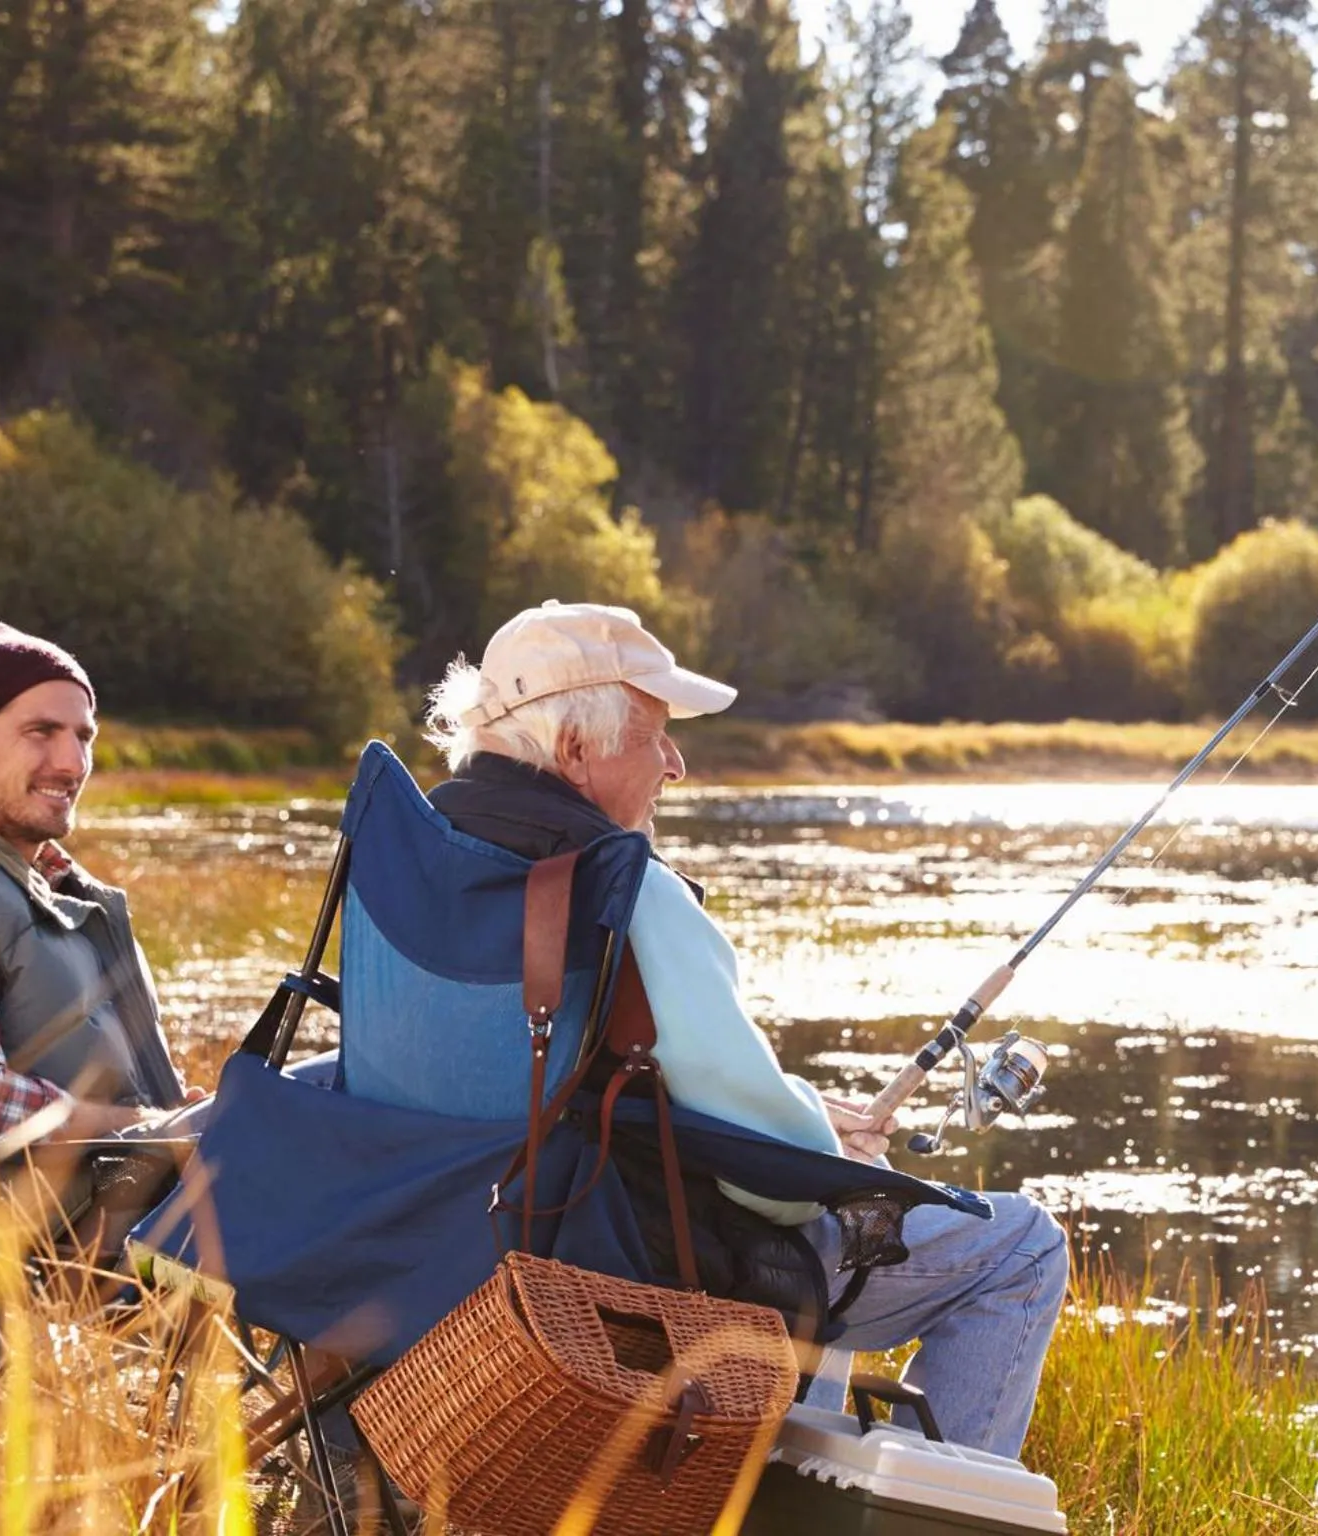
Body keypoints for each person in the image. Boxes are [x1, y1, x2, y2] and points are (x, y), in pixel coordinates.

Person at [422, 600, 1067, 1460]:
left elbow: (528, 1077)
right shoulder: (633, 891)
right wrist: (835, 1157)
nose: (676, 765)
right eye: (653, 736)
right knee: (1020, 1245)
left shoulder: (420, 862)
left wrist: (799, 1109)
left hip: (442, 1240)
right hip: (628, 1267)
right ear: (575, 750)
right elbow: (781, 1190)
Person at [0, 624, 191, 1153]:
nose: (73, 764)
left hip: (138, 1198)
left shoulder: (75, 895)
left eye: (83, 738)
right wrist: (144, 1126)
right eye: (41, 731)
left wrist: (180, 1117)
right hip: (39, 1220)